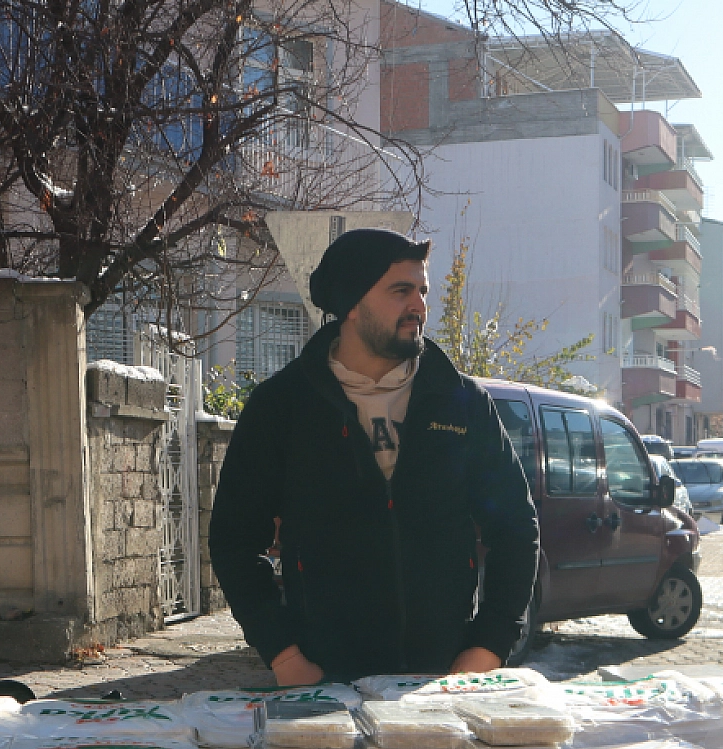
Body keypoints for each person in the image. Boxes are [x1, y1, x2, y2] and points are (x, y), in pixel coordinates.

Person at [208, 228, 539, 685]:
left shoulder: (461, 402)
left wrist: (489, 646)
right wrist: (284, 655)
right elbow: (234, 540)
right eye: (400, 291)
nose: (419, 306)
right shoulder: (283, 407)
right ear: (350, 303)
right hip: (325, 678)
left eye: (422, 290)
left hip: (438, 675)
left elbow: (517, 530)